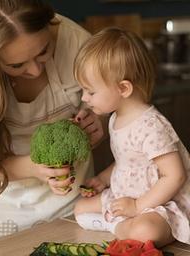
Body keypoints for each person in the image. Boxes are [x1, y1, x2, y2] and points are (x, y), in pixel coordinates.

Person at [0, 0, 105, 246]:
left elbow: (108, 100)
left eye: (43, 51)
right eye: (16, 65)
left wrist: (97, 120)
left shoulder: (76, 42)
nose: (35, 71)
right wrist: (35, 167)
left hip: (70, 199)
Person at [73, 27, 190, 247]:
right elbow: (127, 160)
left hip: (160, 201)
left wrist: (137, 206)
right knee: (80, 209)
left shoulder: (151, 126)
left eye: (90, 91)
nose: (84, 98)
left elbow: (175, 176)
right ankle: (120, 224)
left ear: (123, 88)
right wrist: (103, 179)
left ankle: (122, 225)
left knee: (145, 230)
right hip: (127, 195)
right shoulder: (115, 116)